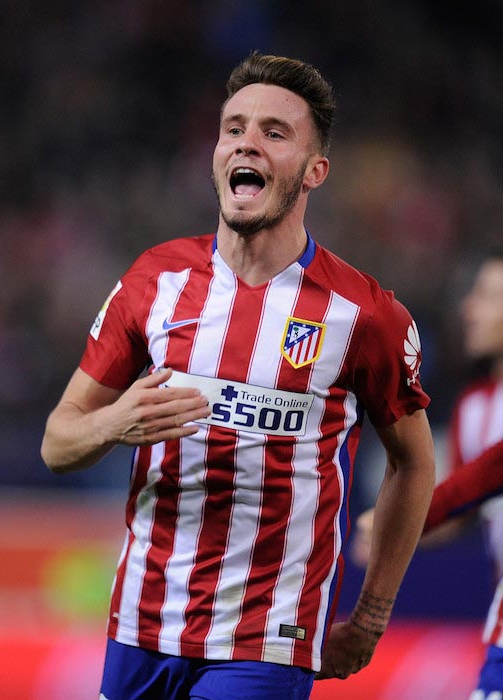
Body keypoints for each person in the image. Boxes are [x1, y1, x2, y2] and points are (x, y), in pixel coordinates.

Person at [41, 51, 435, 700]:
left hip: (268, 639)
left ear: (315, 171)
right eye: (233, 128)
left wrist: (370, 615)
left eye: (274, 133)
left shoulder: (364, 314)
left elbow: (413, 464)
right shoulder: (153, 281)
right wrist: (116, 422)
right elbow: (58, 442)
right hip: (142, 622)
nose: (246, 142)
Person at [352, 250, 503, 700]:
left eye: (489, 297)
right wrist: (402, 531)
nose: (469, 309)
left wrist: (402, 516)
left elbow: (488, 473)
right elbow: (467, 508)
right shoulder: (474, 408)